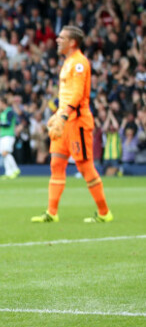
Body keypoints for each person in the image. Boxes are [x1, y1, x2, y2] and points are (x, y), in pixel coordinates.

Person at [32, 26, 113, 224]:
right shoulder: (68, 62)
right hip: (65, 121)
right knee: (56, 164)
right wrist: (57, 114)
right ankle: (52, 212)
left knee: (85, 167)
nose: (57, 40)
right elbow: (67, 95)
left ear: (73, 42)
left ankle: (104, 213)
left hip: (77, 122)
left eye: (62, 38)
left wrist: (64, 114)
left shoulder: (79, 63)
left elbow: (77, 94)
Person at [0, 94, 20, 179]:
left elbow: (8, 124)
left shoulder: (9, 112)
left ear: (3, 103)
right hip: (3, 135)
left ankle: (15, 168)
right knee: (4, 154)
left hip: (9, 135)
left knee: (6, 152)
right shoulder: (3, 113)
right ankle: (8, 172)